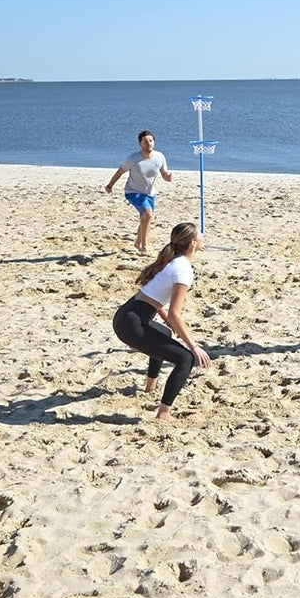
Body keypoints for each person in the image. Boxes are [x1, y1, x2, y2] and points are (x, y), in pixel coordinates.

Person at [111, 222, 212, 420]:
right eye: (200, 235)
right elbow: (176, 314)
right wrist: (194, 346)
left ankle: (150, 385)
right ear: (193, 243)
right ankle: (164, 413)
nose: (203, 237)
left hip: (126, 315)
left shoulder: (174, 261)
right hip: (131, 324)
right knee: (186, 359)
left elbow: (154, 298)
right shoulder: (183, 270)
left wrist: (166, 321)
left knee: (164, 334)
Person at [105, 129, 173, 254]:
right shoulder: (133, 158)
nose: (149, 144)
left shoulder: (160, 157)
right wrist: (110, 185)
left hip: (150, 193)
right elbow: (120, 171)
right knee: (148, 214)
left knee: (146, 218)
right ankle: (144, 246)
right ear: (140, 144)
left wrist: (167, 177)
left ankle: (137, 242)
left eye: (151, 141)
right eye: (145, 142)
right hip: (133, 192)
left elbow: (164, 174)